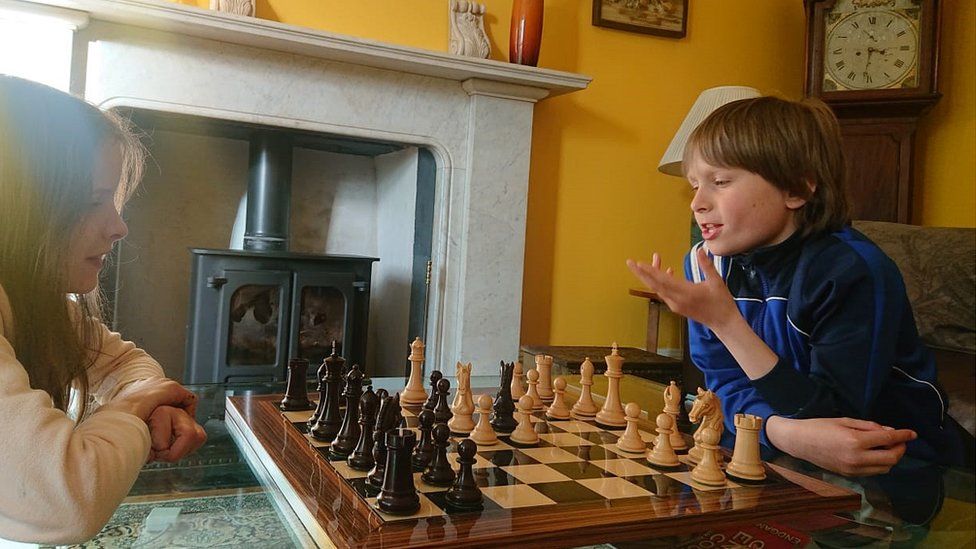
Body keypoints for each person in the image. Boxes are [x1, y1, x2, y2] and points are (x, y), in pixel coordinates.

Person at [627, 96, 964, 477]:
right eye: (694, 186)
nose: (698, 203)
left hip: (908, 472)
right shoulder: (707, 264)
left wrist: (726, 323)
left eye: (720, 182)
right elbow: (725, 389)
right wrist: (779, 432)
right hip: (779, 449)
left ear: (796, 190)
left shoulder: (852, 271)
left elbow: (834, 420)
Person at [0, 75, 208, 544]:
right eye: (95, 201)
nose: (118, 227)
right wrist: (136, 407)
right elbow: (66, 501)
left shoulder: (35, 302)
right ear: (19, 203)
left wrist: (146, 394)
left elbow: (124, 361)